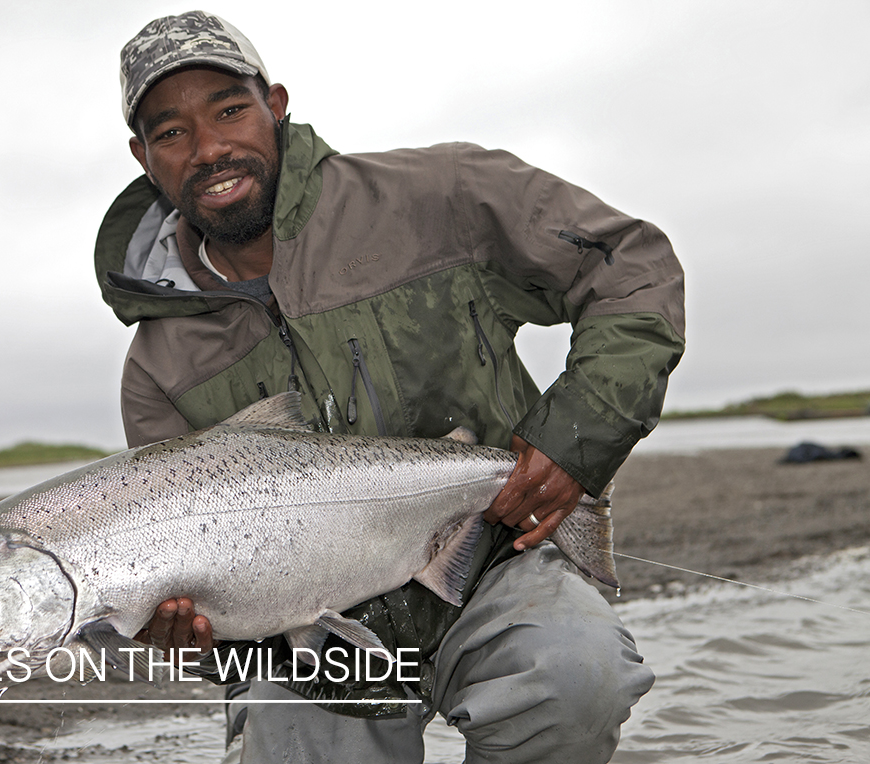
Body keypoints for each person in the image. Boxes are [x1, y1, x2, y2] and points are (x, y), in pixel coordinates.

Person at [94, 11, 684, 763]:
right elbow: (191, 592)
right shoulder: (155, 370)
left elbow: (629, 269)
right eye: (172, 132)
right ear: (143, 155)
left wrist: (575, 442)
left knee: (577, 678)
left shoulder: (441, 195)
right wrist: (194, 639)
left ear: (275, 104)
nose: (209, 148)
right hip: (303, 645)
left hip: (495, 560)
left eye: (229, 109)